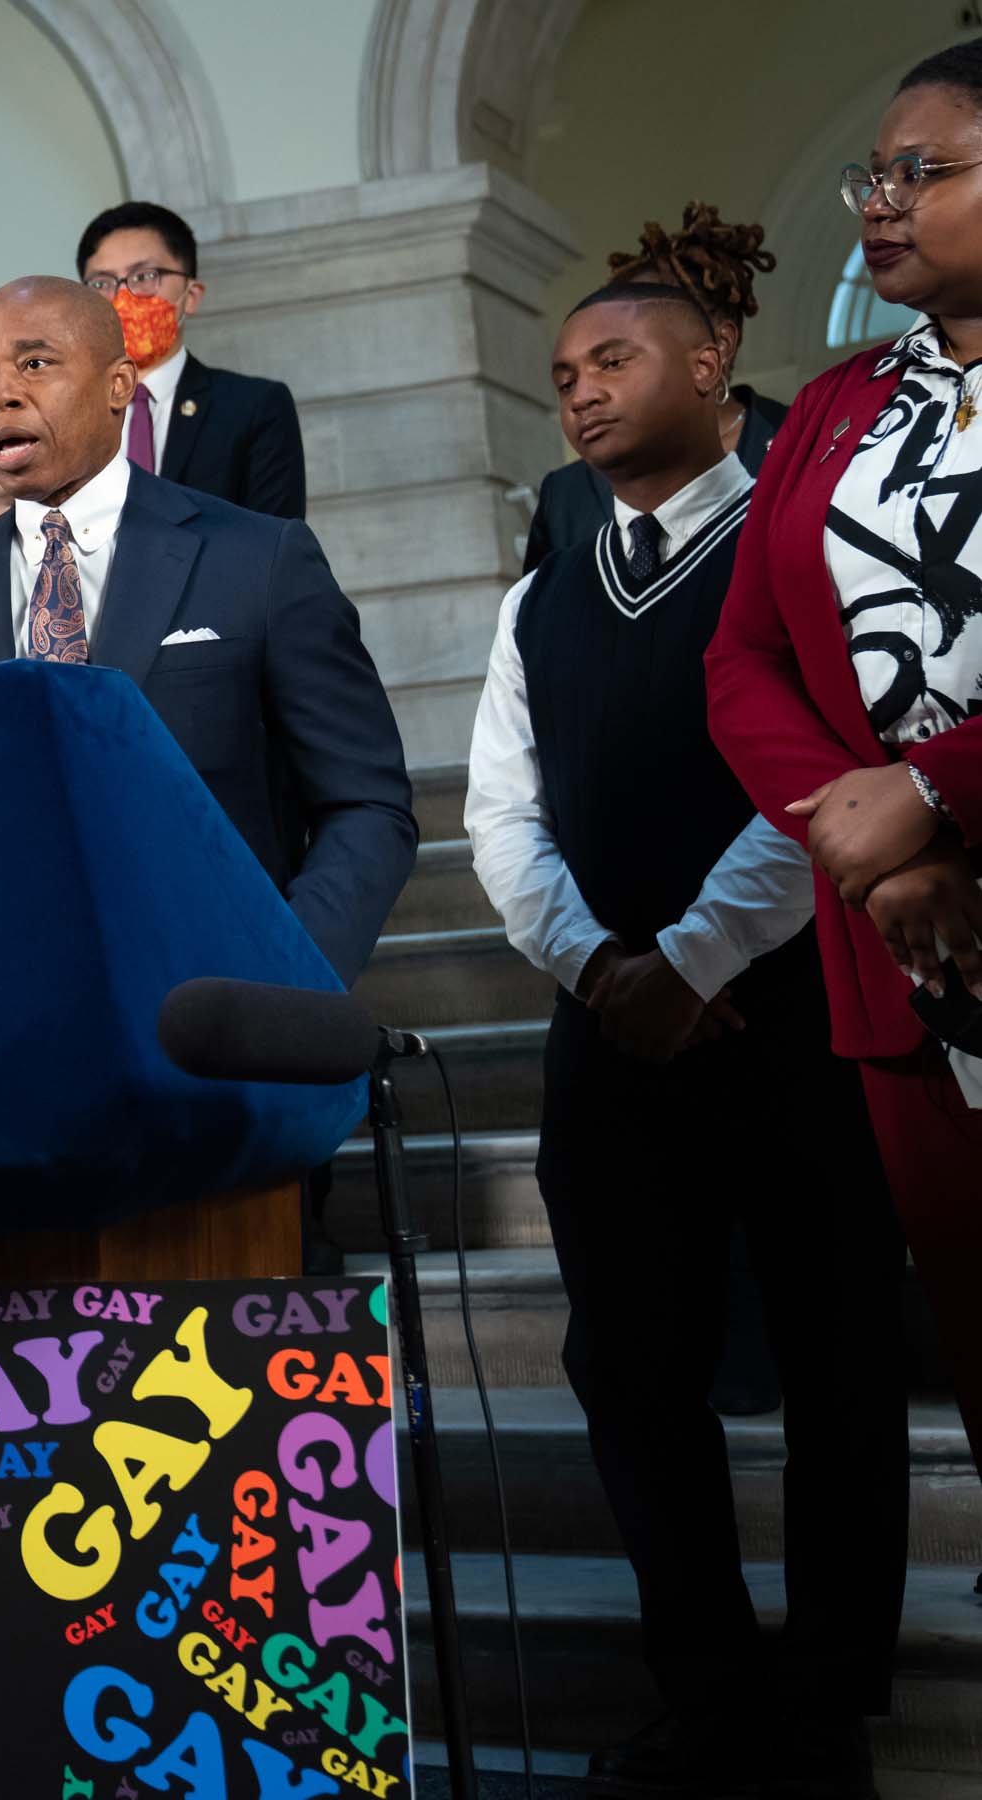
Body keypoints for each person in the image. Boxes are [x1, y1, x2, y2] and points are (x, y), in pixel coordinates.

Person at [472, 280, 904, 1800]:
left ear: (713, 363)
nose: (579, 390)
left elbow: (830, 780)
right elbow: (500, 818)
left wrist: (698, 956)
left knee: (838, 1352)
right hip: (611, 1036)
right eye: (561, 371)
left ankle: (832, 1692)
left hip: (796, 1013)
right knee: (631, 1368)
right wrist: (603, 968)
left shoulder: (797, 544)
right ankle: (705, 1691)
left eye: (613, 357)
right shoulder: (542, 593)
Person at [707, 41, 982, 1572]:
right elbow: (741, 660)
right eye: (869, 175)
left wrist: (937, 790)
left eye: (919, 172)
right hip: (913, 962)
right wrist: (873, 851)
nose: (879, 202)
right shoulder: (828, 407)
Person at [0, 277, 413, 987]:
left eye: (34, 364)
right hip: (8, 1019)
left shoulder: (257, 559)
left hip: (222, 1007)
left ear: (118, 384)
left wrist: (293, 971)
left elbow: (366, 803)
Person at [522, 204, 790, 572]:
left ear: (717, 348)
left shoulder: (803, 445)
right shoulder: (568, 495)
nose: (584, 395)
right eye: (566, 384)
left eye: (614, 360)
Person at [75, 202, 306, 519]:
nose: (122, 298)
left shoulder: (252, 408)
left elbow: (274, 548)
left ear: (192, 294)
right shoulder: (69, 414)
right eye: (102, 283)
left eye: (144, 276)